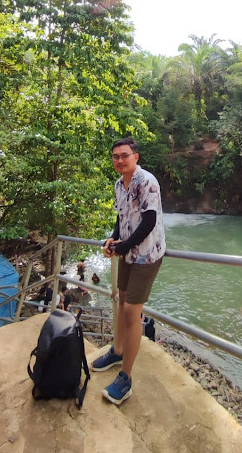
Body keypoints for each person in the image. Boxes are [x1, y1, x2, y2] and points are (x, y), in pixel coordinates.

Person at [91, 137, 166, 405]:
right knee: (122, 301)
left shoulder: (147, 182)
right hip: (128, 253)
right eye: (115, 156)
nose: (119, 160)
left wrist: (124, 246)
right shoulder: (118, 185)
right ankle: (118, 350)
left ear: (136, 157)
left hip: (146, 255)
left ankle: (126, 378)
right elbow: (121, 217)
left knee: (132, 312)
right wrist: (113, 239)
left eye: (124, 155)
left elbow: (149, 222)